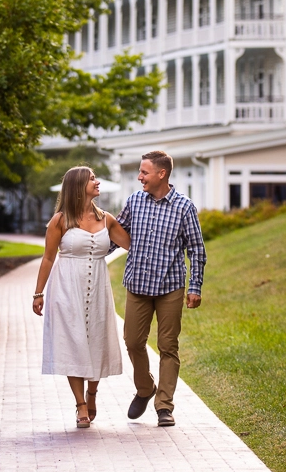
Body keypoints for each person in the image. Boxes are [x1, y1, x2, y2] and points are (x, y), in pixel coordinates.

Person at [32, 166, 130, 429]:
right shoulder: (60, 221)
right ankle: (80, 404)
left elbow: (131, 244)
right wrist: (38, 293)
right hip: (66, 287)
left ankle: (92, 393)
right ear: (78, 186)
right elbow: (48, 258)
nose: (97, 183)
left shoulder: (106, 219)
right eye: (92, 179)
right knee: (72, 344)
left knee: (96, 340)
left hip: (98, 288)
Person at [116, 150, 206, 428]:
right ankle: (145, 388)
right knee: (132, 342)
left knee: (168, 346)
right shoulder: (134, 201)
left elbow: (196, 249)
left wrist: (195, 287)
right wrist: (86, 254)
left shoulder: (184, 207)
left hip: (170, 287)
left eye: (144, 172)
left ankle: (164, 406)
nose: (139, 177)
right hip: (138, 285)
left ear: (161, 174)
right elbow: (117, 234)